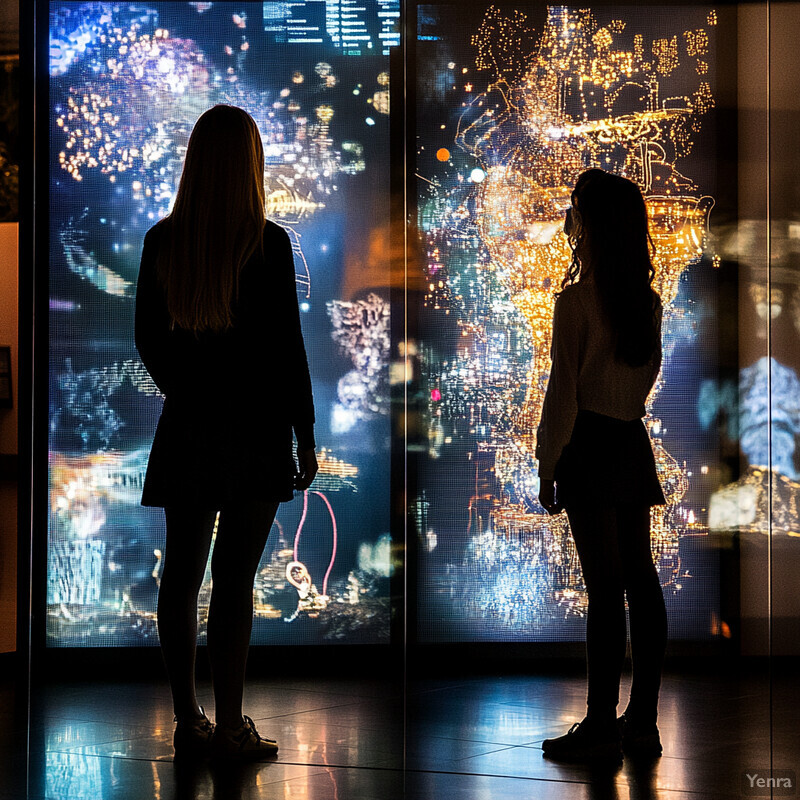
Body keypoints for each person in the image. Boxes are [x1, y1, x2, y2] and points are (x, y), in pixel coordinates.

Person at [135, 104, 318, 760]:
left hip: (188, 427)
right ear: (250, 163)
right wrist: (304, 432)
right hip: (258, 430)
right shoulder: (267, 244)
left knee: (180, 575)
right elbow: (287, 353)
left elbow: (149, 341)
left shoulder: (163, 241)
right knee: (233, 580)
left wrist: (186, 393)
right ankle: (234, 723)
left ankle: (188, 722)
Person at [536, 169, 667, 763]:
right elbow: (641, 383)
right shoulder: (645, 303)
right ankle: (642, 718)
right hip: (629, 442)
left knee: (603, 589)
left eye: (576, 214)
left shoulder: (576, 303)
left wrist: (548, 460)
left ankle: (598, 724)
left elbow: (564, 391)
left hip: (588, 445)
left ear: (588, 227)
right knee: (641, 581)